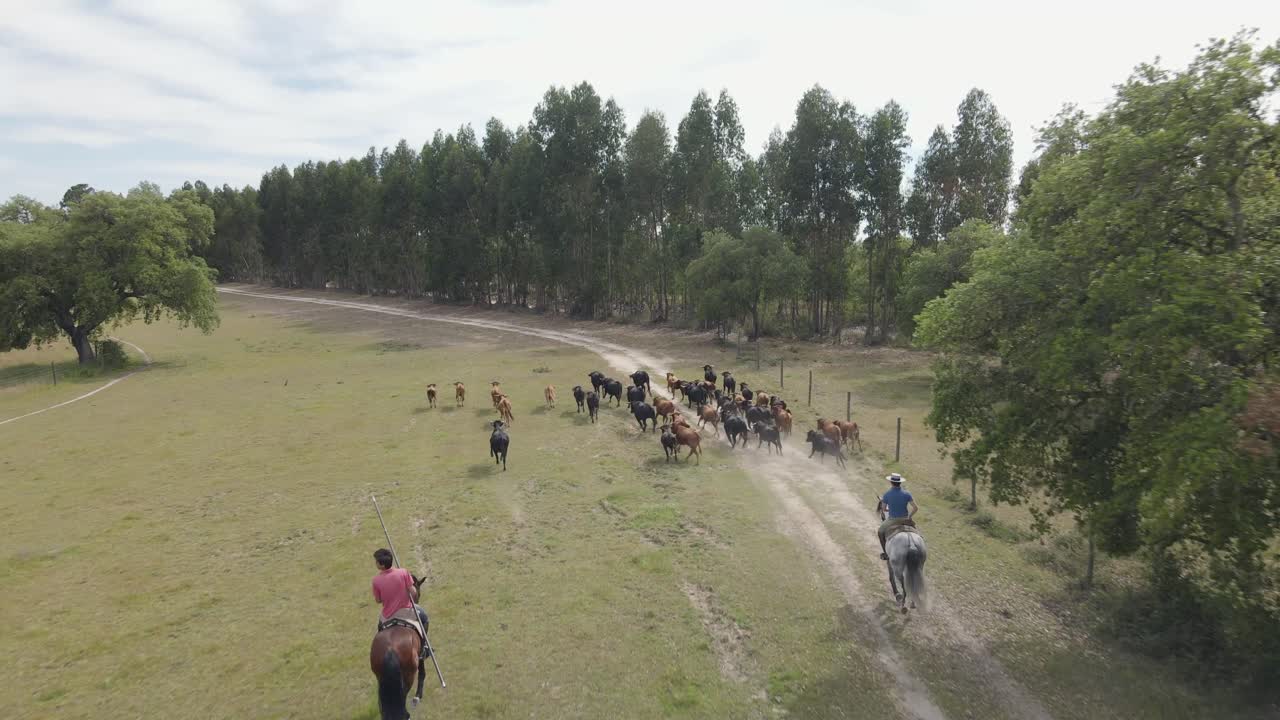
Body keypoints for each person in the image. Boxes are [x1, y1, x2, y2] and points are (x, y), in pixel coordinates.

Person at [372, 548, 430, 656]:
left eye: (376, 561)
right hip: (407, 611)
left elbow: (378, 600)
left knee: (380, 629)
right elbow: (413, 592)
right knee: (425, 618)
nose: (375, 563)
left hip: (387, 615)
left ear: (382, 565)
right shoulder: (403, 572)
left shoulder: (376, 580)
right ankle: (424, 647)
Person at [877, 473, 918, 560]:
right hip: (905, 519)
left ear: (891, 482)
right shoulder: (907, 494)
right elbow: (915, 508)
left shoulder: (887, 494)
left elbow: (884, 509)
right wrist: (910, 516)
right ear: (900, 483)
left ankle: (886, 554)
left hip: (892, 520)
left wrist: (890, 508)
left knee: (880, 532)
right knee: (917, 533)